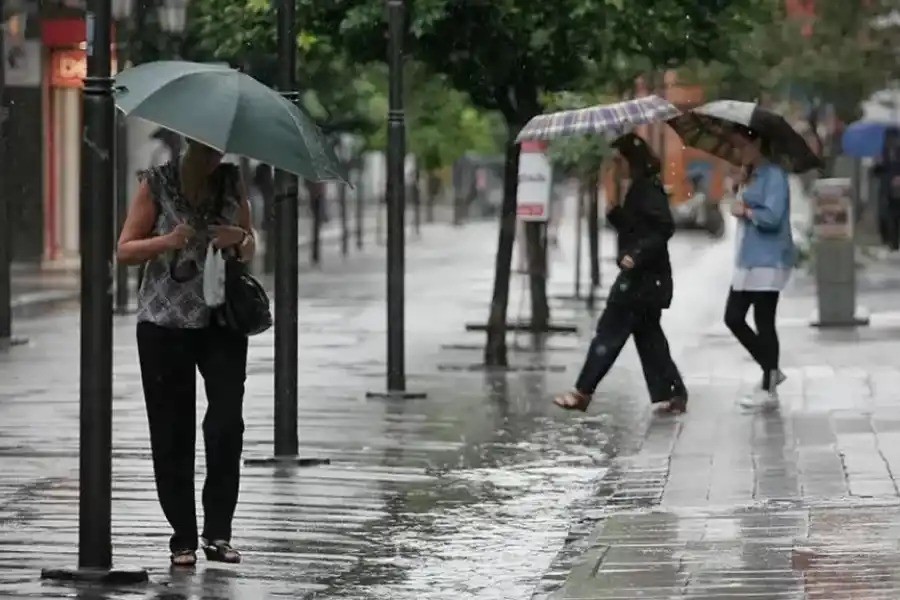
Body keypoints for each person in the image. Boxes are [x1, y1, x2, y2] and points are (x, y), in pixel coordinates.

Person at [117, 140, 257, 566]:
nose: (212, 158)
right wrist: (169, 240)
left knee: (225, 426)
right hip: (164, 323)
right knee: (171, 431)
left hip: (221, 321)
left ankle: (219, 533)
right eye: (204, 151)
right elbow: (124, 250)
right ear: (188, 146)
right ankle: (183, 536)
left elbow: (250, 243)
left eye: (217, 151)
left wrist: (239, 239)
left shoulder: (232, 182)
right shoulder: (156, 185)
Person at [554, 134, 687, 414]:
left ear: (630, 160)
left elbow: (664, 228)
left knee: (609, 332)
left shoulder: (647, 190)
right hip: (650, 280)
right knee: (649, 338)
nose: (614, 166)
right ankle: (673, 393)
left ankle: (583, 391)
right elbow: (635, 228)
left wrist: (635, 256)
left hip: (642, 279)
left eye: (617, 160)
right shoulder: (638, 188)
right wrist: (614, 210)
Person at [725, 125, 794, 409]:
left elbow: (773, 217)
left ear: (758, 145)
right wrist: (739, 189)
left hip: (768, 259)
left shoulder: (774, 175)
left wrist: (747, 211)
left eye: (743, 146)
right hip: (748, 258)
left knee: (764, 321)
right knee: (733, 317)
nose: (740, 152)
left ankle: (769, 386)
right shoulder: (750, 176)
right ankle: (771, 370)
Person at [873, 126, 900, 250]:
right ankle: (891, 240)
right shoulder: (882, 153)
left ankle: (895, 240)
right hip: (886, 189)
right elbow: (877, 172)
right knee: (887, 214)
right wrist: (877, 165)